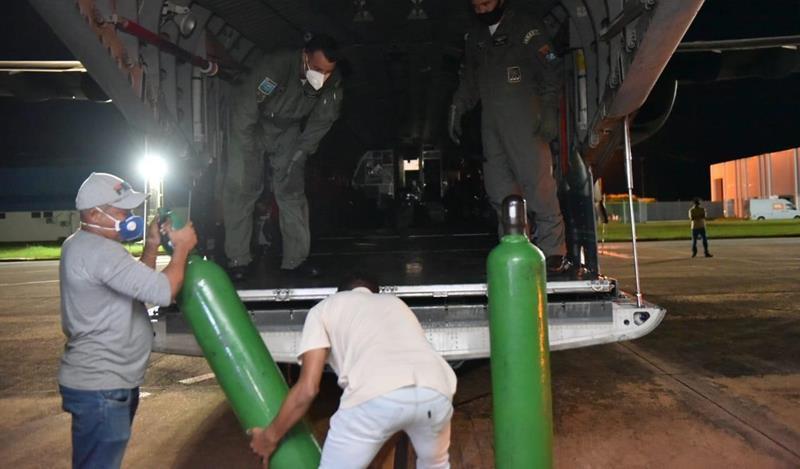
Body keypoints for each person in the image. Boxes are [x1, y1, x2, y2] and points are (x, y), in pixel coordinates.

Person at [59, 172, 198, 469]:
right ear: (95, 214)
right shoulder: (99, 251)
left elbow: (137, 289)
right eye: (122, 211)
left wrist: (152, 246)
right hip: (103, 386)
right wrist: (183, 248)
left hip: (104, 384)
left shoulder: (82, 244)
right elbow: (163, 291)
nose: (130, 217)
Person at [249, 275, 457, 468]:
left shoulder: (325, 308)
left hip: (376, 394)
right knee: (435, 464)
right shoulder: (396, 304)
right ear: (375, 293)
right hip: (438, 391)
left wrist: (268, 438)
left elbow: (308, 388)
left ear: (339, 293)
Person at [449, 0, 570, 274]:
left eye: (486, 3)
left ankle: (553, 250)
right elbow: (470, 79)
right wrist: (457, 106)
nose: (482, 10)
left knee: (537, 184)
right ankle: (513, 245)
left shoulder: (525, 28)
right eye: (477, 6)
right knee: (499, 189)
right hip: (491, 123)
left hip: (524, 118)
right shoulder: (476, 37)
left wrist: (549, 109)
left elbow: (550, 68)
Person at [223, 34, 343, 281]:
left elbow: (323, 119)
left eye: (328, 72)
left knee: (292, 192)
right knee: (243, 189)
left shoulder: (333, 81)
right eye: (318, 69)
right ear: (305, 56)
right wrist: (247, 150)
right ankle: (238, 260)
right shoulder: (276, 66)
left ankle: (296, 260)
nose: (323, 77)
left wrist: (302, 150)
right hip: (254, 125)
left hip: (289, 130)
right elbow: (247, 106)